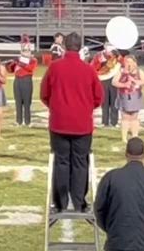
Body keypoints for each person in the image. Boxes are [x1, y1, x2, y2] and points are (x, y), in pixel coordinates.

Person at [39, 32, 105, 213]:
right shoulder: (88, 69)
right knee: (80, 163)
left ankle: (60, 203)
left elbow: (44, 94)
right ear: (80, 47)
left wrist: (56, 108)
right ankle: (79, 202)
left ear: (65, 46)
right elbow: (98, 97)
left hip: (59, 123)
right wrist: (85, 109)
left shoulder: (55, 67)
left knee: (61, 162)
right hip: (82, 125)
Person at [94, 138, 144, 251]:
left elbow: (100, 210)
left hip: (118, 242)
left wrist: (112, 229)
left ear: (126, 154)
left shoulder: (110, 177)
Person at [114, 54, 144, 143]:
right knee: (125, 117)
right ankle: (124, 138)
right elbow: (114, 82)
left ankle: (135, 136)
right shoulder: (121, 72)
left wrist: (136, 81)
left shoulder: (139, 71)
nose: (129, 64)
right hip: (124, 96)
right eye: (127, 62)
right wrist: (124, 85)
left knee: (134, 117)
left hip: (136, 96)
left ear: (135, 63)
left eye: (130, 62)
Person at [6, 42, 38, 127]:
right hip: (17, 81)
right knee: (18, 101)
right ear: (21, 52)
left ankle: (27, 122)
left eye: (28, 50)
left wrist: (20, 63)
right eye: (24, 50)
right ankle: (18, 121)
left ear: (30, 52)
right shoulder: (17, 60)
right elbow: (10, 70)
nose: (26, 52)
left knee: (27, 102)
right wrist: (10, 64)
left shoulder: (33, 60)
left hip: (27, 80)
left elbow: (30, 68)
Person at [98, 47, 121, 128]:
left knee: (114, 102)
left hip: (113, 81)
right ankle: (105, 121)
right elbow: (98, 69)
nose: (109, 55)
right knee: (105, 103)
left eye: (111, 53)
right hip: (104, 81)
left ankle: (114, 121)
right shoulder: (103, 61)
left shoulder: (118, 63)